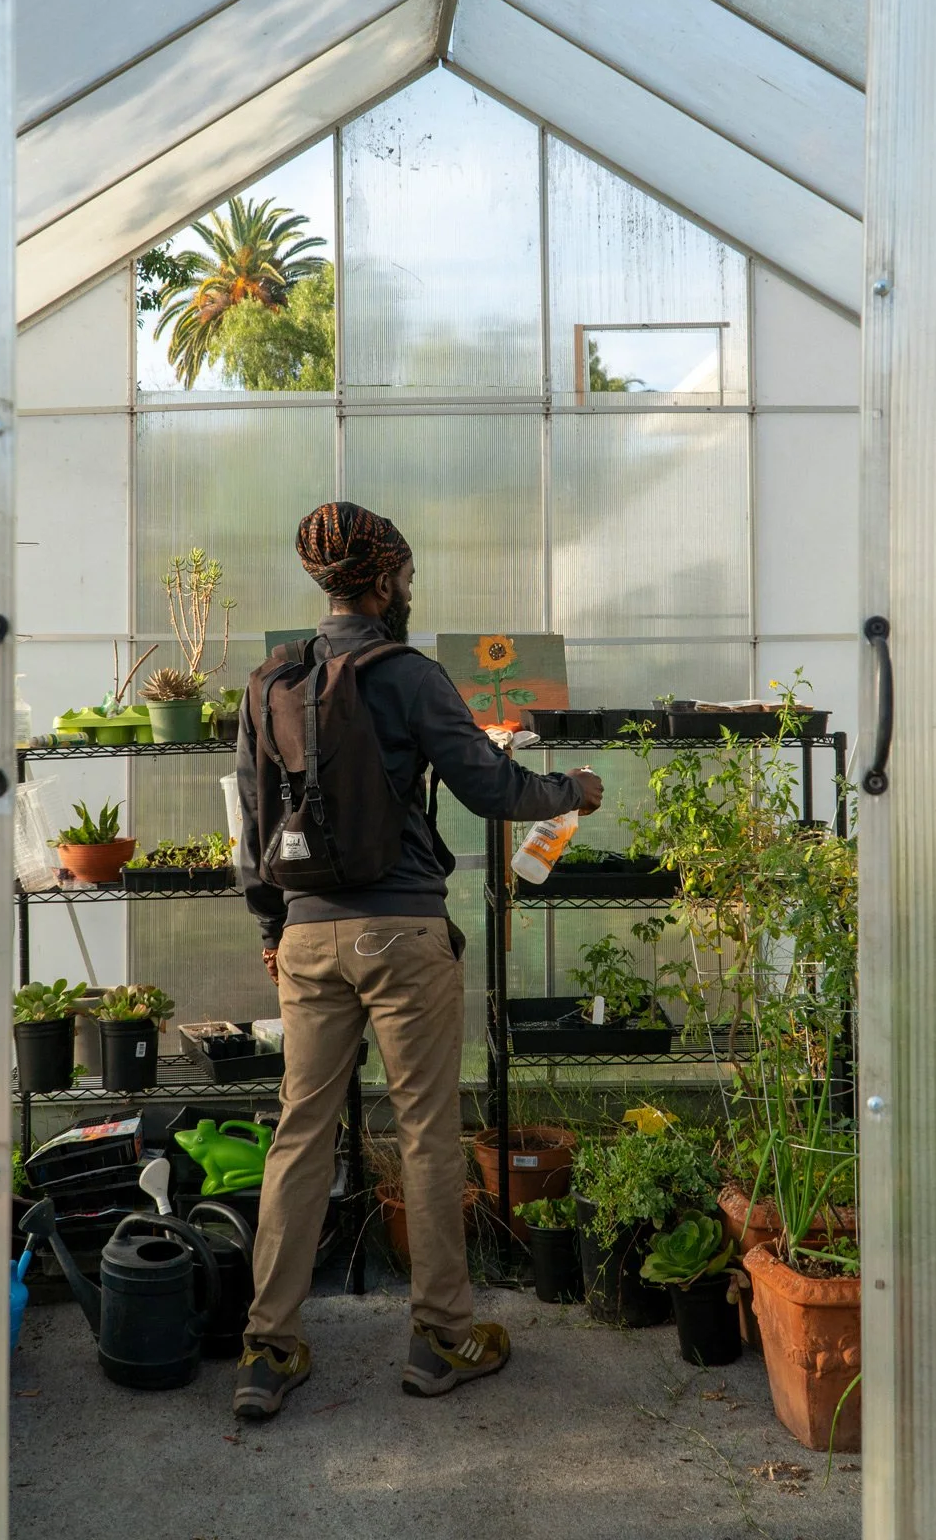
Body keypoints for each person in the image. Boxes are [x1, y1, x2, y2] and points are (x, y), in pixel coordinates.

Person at [232, 501, 603, 1420]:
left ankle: (268, 1351)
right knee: (430, 1131)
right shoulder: (409, 673)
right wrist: (573, 790)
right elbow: (490, 786)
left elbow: (251, 828)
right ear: (387, 579)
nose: (409, 587)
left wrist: (275, 933)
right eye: (406, 574)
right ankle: (441, 1337)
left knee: (300, 1135)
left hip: (310, 936)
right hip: (403, 932)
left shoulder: (268, 682)